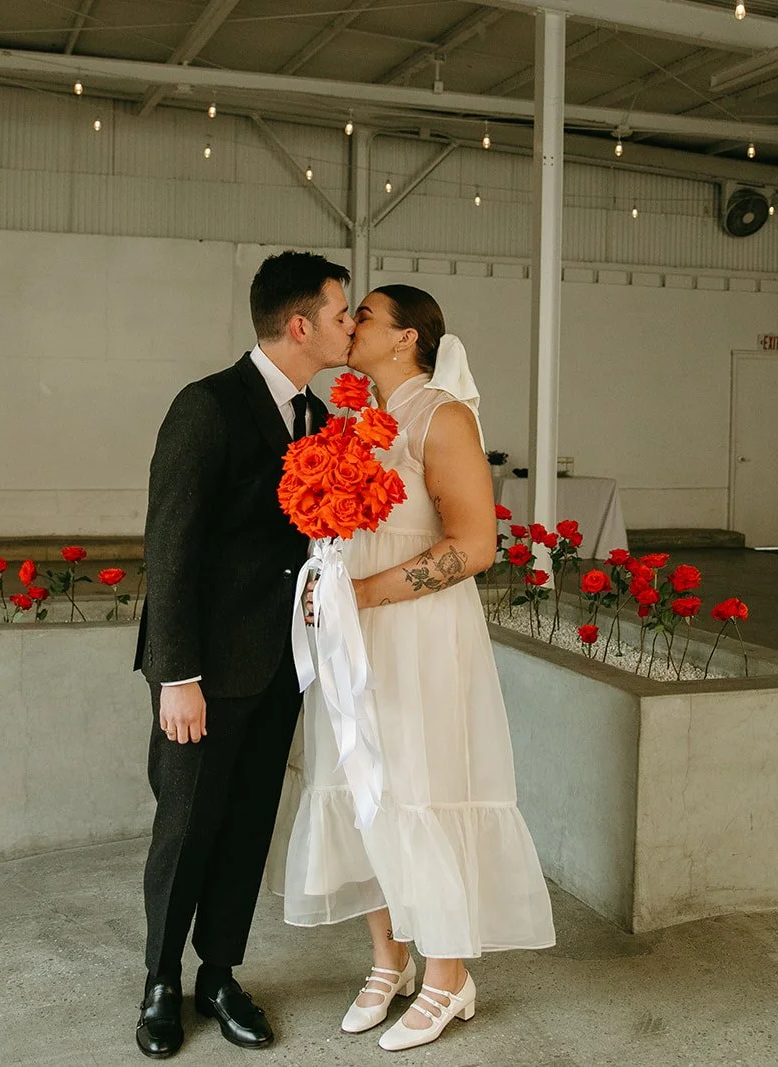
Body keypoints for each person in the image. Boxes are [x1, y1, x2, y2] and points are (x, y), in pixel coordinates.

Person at [281, 284, 555, 1052]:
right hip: (357, 637)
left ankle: (448, 974)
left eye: (364, 313)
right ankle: (387, 959)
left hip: (420, 635)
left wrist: (363, 590)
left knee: (425, 785)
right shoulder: (351, 422)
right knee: (365, 787)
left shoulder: (442, 416)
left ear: (407, 339)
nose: (351, 322)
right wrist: (326, 583)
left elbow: (475, 545)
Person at [132, 252, 354, 1058]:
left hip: (281, 668)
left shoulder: (319, 421)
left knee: (249, 823)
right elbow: (171, 548)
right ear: (300, 325)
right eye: (340, 313)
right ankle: (160, 978)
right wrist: (175, 676)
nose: (349, 325)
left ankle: (218, 971)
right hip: (205, 675)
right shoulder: (208, 407)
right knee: (187, 828)